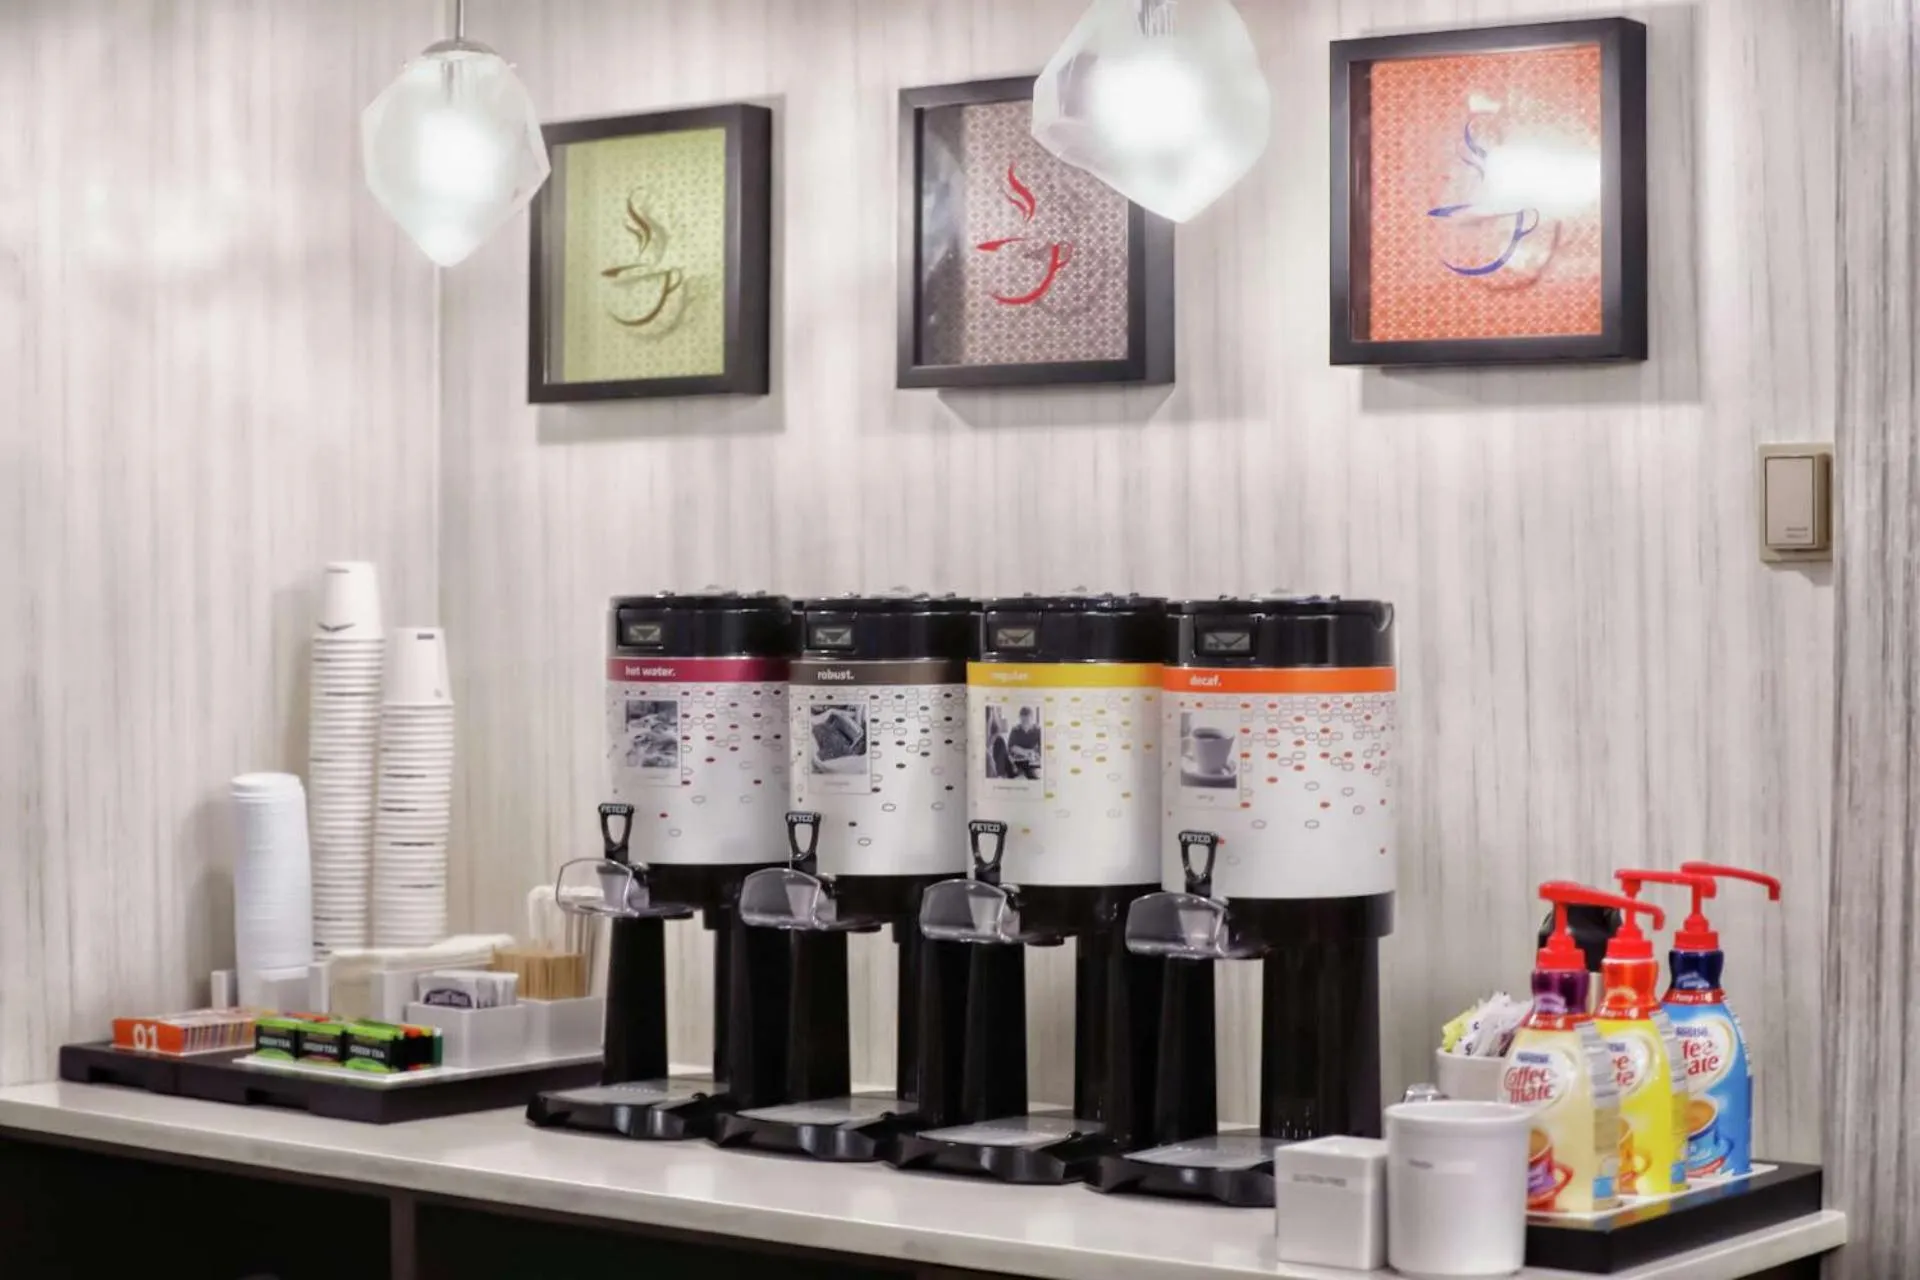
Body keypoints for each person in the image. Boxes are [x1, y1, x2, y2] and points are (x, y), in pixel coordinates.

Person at [1006, 707, 1041, 780]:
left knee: (1034, 777)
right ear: (1020, 719)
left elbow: (1042, 747)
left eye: (1027, 721)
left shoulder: (1038, 730)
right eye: (1022, 721)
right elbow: (1011, 747)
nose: (1024, 724)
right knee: (1010, 774)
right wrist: (1026, 752)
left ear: (1032, 719)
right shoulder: (1015, 729)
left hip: (1031, 761)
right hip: (1017, 760)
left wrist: (1036, 754)